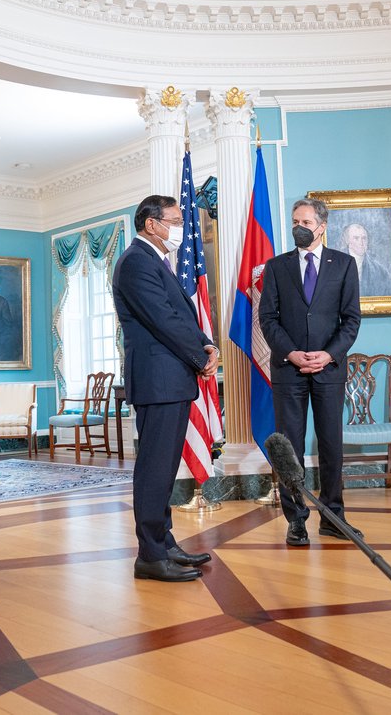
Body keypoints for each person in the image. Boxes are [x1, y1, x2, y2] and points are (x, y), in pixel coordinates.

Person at [112, 195, 220, 582]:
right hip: (159, 381)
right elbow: (162, 321)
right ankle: (150, 556)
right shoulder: (136, 262)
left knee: (164, 468)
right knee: (154, 469)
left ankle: (164, 542)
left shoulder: (153, 260)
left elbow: (180, 315)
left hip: (171, 380)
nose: (180, 227)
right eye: (174, 220)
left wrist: (207, 344)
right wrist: (199, 355)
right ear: (151, 224)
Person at [259, 197, 362, 546]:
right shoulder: (276, 267)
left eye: (305, 222)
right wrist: (291, 353)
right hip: (288, 370)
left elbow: (351, 321)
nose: (298, 228)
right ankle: (296, 519)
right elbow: (267, 320)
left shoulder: (345, 265)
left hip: (329, 371)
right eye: (294, 221)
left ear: (321, 226)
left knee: (332, 445)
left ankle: (333, 517)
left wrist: (328, 355)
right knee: (291, 449)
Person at [340, 222, 391, 297]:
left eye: (364, 238)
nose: (361, 243)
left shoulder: (380, 271)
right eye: (356, 238)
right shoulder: (336, 265)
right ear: (348, 241)